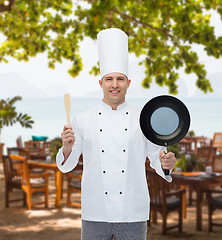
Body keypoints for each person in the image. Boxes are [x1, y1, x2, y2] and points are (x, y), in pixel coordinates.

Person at [56, 28, 176, 240]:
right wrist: (66, 148)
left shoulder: (144, 119)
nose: (114, 85)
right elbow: (68, 164)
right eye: (109, 79)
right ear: (100, 83)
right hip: (95, 210)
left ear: (128, 83)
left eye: (120, 79)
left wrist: (166, 164)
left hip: (132, 211)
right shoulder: (82, 119)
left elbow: (157, 158)